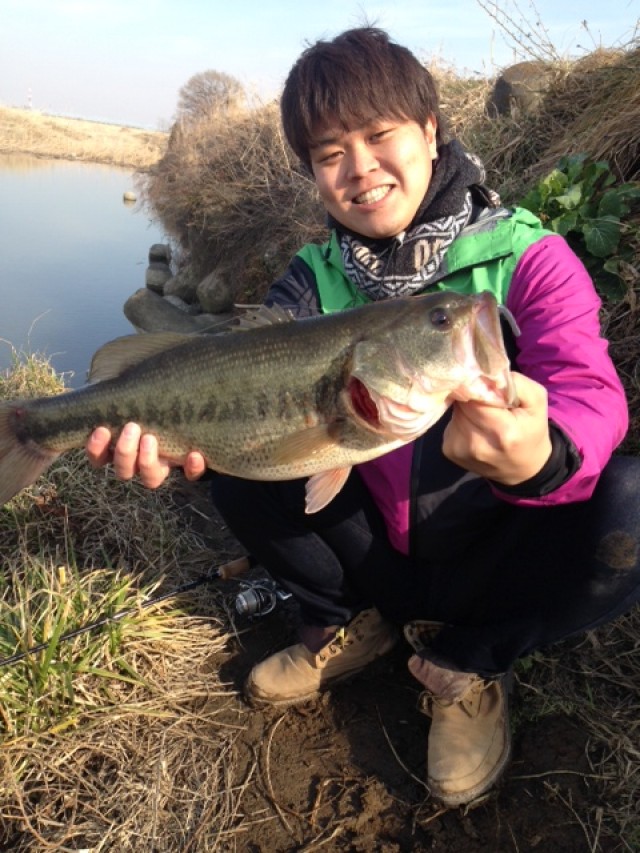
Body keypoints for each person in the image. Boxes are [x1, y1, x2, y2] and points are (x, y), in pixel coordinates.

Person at [86, 28, 640, 808]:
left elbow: (590, 389)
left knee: (629, 508)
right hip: (371, 548)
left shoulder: (530, 258)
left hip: (493, 548)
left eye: (380, 136)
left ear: (431, 131)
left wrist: (546, 454)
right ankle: (347, 621)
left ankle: (468, 662)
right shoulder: (309, 282)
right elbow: (239, 374)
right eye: (328, 153)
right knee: (247, 469)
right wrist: (173, 448)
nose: (359, 169)